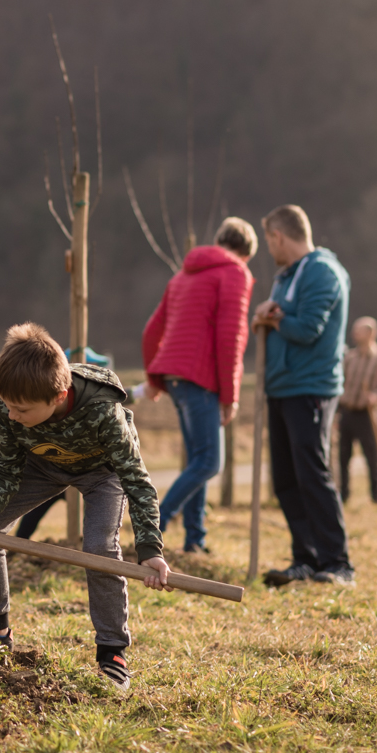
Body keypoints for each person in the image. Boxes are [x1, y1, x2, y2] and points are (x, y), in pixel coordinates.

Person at [0, 323, 170, 692]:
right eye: (8, 406)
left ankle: (113, 653)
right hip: (41, 465)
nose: (12, 415)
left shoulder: (103, 413)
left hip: (101, 473)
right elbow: (5, 463)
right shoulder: (12, 398)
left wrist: (150, 550)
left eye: (22, 410)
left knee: (99, 549)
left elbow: (136, 480)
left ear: (59, 396)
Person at [140, 217, 258, 554]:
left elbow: (152, 331)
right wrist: (231, 395)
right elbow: (231, 336)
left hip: (175, 380)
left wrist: (154, 378)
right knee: (209, 463)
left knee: (197, 458)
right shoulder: (235, 273)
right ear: (245, 253)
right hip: (200, 379)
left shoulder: (181, 275)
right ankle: (154, 527)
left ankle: (195, 539)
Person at [252, 205, 354, 587]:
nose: (269, 248)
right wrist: (267, 316)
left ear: (279, 236)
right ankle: (306, 558)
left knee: (313, 474)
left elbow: (309, 328)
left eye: (269, 240)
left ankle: (338, 562)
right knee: (286, 478)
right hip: (281, 388)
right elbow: (280, 317)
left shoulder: (322, 272)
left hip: (310, 387)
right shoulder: (285, 277)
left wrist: (275, 318)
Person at [338, 316, 377, 504]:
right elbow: (340, 382)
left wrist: (376, 396)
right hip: (347, 411)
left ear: (371, 333)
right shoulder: (349, 358)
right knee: (343, 457)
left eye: (359, 330)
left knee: (372, 456)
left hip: (367, 415)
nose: (354, 333)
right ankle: (343, 494)